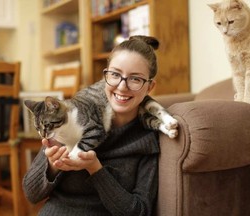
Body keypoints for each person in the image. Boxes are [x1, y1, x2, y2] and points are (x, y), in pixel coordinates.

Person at [23, 35, 161, 216]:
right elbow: (31, 195)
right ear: (105, 76)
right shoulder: (70, 118)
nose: (121, 86)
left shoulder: (146, 140)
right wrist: (52, 165)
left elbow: (138, 211)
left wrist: (95, 168)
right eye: (115, 74)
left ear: (149, 87)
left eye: (135, 79)